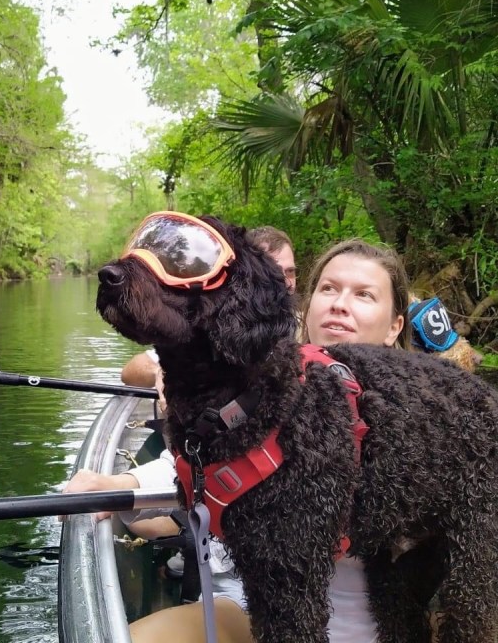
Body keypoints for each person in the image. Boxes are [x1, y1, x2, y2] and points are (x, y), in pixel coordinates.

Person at [65, 238, 409, 643]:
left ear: (394, 326)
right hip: (247, 609)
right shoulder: (260, 376)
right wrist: (121, 486)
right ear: (305, 305)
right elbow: (211, 460)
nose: (339, 303)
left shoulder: (426, 414)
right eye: (328, 288)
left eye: (364, 295)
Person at [120, 226, 297, 389]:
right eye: (273, 270)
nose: (282, 281)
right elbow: (130, 372)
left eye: (290, 272)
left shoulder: (306, 323)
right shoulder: (219, 328)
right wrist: (162, 371)